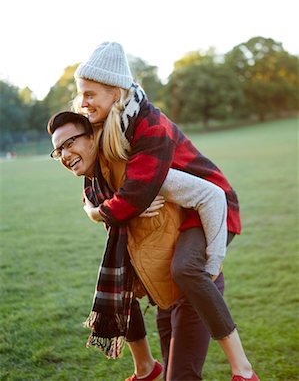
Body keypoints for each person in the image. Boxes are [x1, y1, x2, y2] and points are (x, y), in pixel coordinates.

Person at [69, 41, 259, 381]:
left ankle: (242, 369)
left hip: (210, 206)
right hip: (178, 210)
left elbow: (136, 196)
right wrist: (99, 203)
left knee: (187, 268)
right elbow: (115, 189)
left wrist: (211, 267)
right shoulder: (113, 129)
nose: (83, 102)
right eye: (80, 93)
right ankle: (147, 367)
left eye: (91, 94)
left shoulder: (148, 126)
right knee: (124, 275)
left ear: (115, 92)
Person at [48, 111, 228, 380]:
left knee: (180, 376)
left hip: (192, 288)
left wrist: (130, 203)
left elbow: (212, 195)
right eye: (57, 150)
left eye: (69, 143)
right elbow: (103, 212)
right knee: (173, 373)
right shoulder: (97, 186)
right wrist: (103, 211)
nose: (64, 154)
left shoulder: (139, 173)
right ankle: (146, 368)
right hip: (163, 293)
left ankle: (241, 369)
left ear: (93, 136)